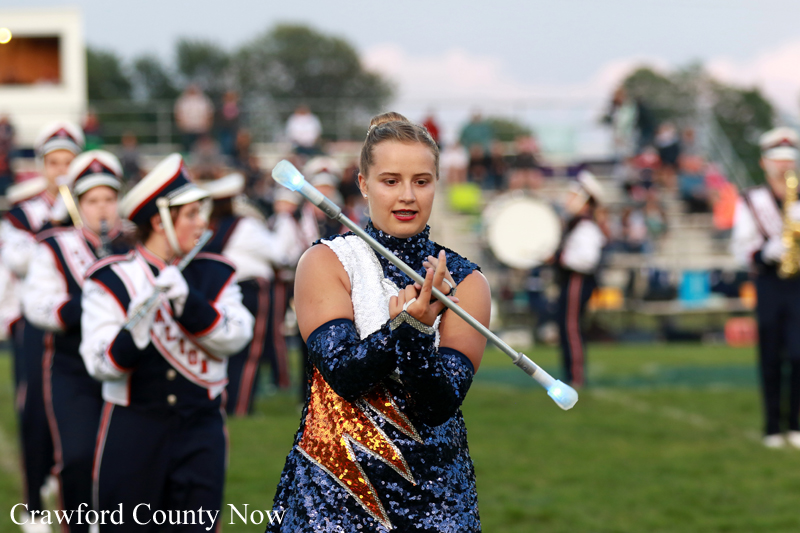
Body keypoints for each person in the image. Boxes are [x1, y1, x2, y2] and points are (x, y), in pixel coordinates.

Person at [268, 112, 490, 532]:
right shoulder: (328, 261)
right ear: (364, 184)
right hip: (333, 495)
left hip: (437, 499)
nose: (407, 196)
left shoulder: (467, 282)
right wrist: (404, 328)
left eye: (421, 181)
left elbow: (439, 404)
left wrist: (417, 335)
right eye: (390, 181)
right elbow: (344, 374)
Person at [79, 154, 253, 530]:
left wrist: (190, 305)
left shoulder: (216, 273)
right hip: (134, 430)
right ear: (160, 221)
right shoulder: (111, 279)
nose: (202, 223)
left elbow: (237, 335)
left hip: (201, 430)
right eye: (191, 214)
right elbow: (99, 364)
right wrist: (133, 331)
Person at [22, 150, 130, 532]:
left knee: (124, 461)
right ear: (79, 204)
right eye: (93, 200)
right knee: (78, 457)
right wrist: (91, 301)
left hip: (127, 370)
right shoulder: (54, 245)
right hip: (72, 369)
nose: (102, 208)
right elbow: (38, 305)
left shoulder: (134, 243)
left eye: (109, 198)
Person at [0, 121, 84, 527]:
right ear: (42, 166)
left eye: (68, 162)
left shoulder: (91, 208)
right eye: (54, 163)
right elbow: (20, 261)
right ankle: (33, 504)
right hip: (37, 324)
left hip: (82, 322)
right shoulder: (23, 213)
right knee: (35, 410)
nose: (61, 171)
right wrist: (54, 224)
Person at [201, 173, 295, 415]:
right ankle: (241, 407)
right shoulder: (245, 225)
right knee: (252, 350)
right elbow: (278, 254)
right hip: (252, 289)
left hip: (222, 289)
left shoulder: (210, 226)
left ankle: (226, 403)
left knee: (226, 350)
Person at [730, 127, 800, 448]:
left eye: (788, 159)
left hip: (798, 283)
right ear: (764, 162)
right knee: (770, 354)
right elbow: (739, 246)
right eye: (777, 159)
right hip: (769, 282)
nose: (783, 165)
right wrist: (764, 252)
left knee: (798, 354)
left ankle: (795, 423)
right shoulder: (751, 200)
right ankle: (772, 426)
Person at [556, 170, 607, 387]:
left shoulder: (586, 226)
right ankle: (570, 373)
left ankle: (576, 376)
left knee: (571, 326)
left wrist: (559, 258)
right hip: (571, 279)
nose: (568, 200)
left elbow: (586, 260)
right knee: (566, 326)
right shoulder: (577, 224)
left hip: (578, 280)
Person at [174, 84, 214, 153]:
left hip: (201, 127)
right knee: (187, 145)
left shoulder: (204, 100)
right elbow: (178, 113)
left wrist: (208, 124)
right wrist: (180, 124)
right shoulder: (182, 100)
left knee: (201, 146)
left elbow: (209, 113)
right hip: (187, 128)